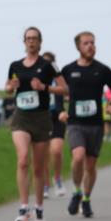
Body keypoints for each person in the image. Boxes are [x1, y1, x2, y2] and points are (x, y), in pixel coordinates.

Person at [5, 27, 66, 221]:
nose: (31, 41)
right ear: (24, 42)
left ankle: (39, 208)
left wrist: (44, 87)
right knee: (23, 160)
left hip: (41, 118)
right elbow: (7, 88)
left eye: (34, 38)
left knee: (39, 168)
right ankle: (24, 207)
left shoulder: (48, 65)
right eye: (28, 38)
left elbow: (65, 89)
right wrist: (10, 87)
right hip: (21, 117)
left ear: (40, 42)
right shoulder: (15, 65)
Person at [59, 32, 111, 218]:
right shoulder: (68, 70)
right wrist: (60, 110)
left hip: (95, 124)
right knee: (78, 156)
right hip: (75, 123)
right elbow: (58, 91)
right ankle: (76, 192)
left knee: (91, 165)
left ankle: (86, 199)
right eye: (86, 43)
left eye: (92, 43)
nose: (90, 46)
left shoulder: (102, 70)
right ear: (78, 47)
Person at [43, 51, 67, 198]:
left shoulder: (59, 79)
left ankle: (57, 178)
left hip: (58, 117)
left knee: (56, 151)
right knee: (44, 154)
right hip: (41, 118)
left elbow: (69, 91)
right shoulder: (35, 78)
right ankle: (45, 184)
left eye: (49, 63)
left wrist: (64, 110)